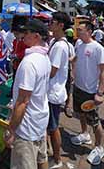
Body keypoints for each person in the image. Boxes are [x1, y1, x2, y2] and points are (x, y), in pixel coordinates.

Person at [4, 19, 51, 169]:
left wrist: (11, 129)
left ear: (36, 36)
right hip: (40, 119)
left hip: (27, 126)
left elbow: (23, 101)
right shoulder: (45, 57)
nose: (23, 35)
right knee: (41, 158)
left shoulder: (29, 62)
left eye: (26, 32)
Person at [71, 21, 104, 166]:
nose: (77, 32)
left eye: (80, 30)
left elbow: (103, 71)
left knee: (95, 121)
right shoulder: (79, 44)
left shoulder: (98, 48)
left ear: (90, 31)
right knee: (80, 113)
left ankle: (99, 147)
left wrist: (100, 92)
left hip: (91, 92)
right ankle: (85, 134)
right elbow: (76, 58)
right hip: (78, 87)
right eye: (77, 29)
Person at [47, 11, 71, 169]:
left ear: (60, 25)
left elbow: (52, 71)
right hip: (54, 90)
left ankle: (57, 159)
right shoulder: (59, 43)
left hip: (53, 92)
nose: (49, 23)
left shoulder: (60, 46)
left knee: (53, 127)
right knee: (50, 126)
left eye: (52, 21)